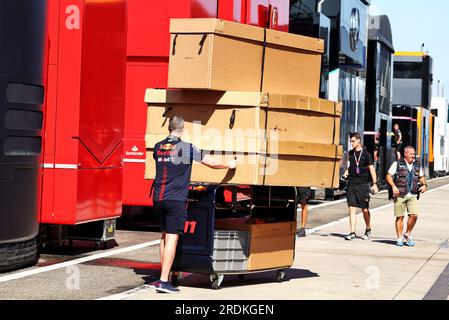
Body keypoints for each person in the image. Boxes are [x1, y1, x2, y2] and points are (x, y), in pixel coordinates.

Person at [152, 116, 237, 293]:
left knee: (164, 236)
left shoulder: (158, 147)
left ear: (169, 128)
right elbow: (212, 163)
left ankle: (164, 275)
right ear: (182, 130)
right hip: (175, 199)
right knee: (172, 238)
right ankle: (163, 281)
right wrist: (229, 163)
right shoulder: (186, 148)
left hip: (158, 198)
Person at [386, 146, 427, 247]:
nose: (413, 156)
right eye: (411, 154)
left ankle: (407, 233)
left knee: (414, 215)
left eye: (414, 154)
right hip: (399, 194)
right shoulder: (397, 163)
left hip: (412, 193)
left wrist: (424, 185)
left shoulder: (417, 165)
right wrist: (393, 186)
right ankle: (399, 238)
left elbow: (421, 177)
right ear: (405, 154)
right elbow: (388, 176)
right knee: (399, 217)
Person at [343, 133, 378, 241]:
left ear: (358, 140)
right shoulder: (350, 153)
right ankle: (352, 232)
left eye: (353, 141)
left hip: (363, 185)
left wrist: (374, 183)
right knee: (351, 209)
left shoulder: (366, 155)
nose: (351, 143)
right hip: (351, 184)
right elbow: (351, 166)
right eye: (351, 141)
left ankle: (368, 228)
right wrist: (346, 172)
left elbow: (371, 169)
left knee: (365, 210)